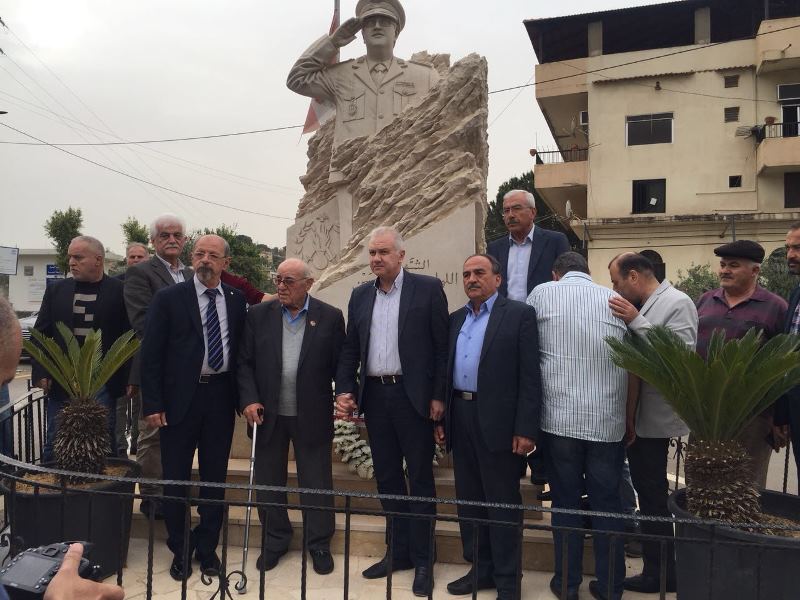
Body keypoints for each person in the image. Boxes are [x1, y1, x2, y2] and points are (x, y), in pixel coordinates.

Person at [335, 226, 447, 597]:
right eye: (372, 253)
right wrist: (346, 390)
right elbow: (351, 349)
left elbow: (441, 349)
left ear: (401, 255)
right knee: (387, 478)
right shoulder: (360, 295)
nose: (376, 258)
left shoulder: (427, 289)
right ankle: (397, 551)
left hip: (412, 398)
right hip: (376, 399)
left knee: (420, 479)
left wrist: (438, 396)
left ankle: (423, 559)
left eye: (383, 252)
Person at [140, 234, 247, 582]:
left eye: (213, 255)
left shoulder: (236, 300)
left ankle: (207, 547)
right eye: (199, 253)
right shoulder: (169, 298)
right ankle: (181, 548)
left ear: (226, 263)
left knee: (215, 479)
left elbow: (241, 354)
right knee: (175, 479)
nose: (204, 260)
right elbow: (151, 355)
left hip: (220, 399)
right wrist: (153, 403)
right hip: (178, 402)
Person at [435, 254, 540, 600]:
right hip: (461, 416)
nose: (471, 279)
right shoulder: (456, 318)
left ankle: (508, 580)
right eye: (466, 274)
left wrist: (525, 429)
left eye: (479, 272)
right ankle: (480, 569)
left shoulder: (519, 315)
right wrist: (443, 419)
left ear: (497, 279)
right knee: (469, 502)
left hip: (500, 423)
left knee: (502, 503)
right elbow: (446, 370)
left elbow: (530, 377)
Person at [527, 252, 627, 600]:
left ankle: (567, 585)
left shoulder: (542, 293)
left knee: (566, 503)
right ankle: (611, 586)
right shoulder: (614, 299)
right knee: (607, 504)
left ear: (556, 274)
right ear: (588, 272)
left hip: (560, 420)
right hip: (607, 422)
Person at [238, 258, 345, 575]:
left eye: (288, 281)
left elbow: (341, 363)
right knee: (269, 481)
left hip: (311, 413)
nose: (281, 286)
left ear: (308, 284)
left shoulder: (330, 317)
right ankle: (275, 540)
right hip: (266, 415)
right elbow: (244, 363)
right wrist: (249, 399)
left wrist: (345, 395)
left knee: (316, 482)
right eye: (278, 279)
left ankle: (319, 543)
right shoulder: (258, 315)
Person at [608, 252, 698, 594]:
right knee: (647, 495)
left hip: (655, 420)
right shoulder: (644, 303)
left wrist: (637, 321)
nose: (614, 289)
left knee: (653, 497)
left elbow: (681, 356)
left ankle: (661, 573)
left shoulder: (678, 302)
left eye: (616, 282)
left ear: (634, 276)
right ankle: (657, 568)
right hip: (636, 417)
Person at [287, 0, 440, 161]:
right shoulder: (340, 75)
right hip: (349, 174)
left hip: (403, 171)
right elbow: (297, 78)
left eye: (384, 22)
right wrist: (332, 43)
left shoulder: (425, 76)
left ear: (395, 33)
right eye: (370, 22)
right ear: (362, 34)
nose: (377, 26)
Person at [695, 240, 787, 488]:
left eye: (733, 265)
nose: (725, 270)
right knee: (702, 484)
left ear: (755, 270)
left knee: (744, 487)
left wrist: (779, 417)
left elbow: (786, 363)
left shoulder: (776, 307)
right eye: (723, 265)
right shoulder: (705, 301)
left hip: (751, 417)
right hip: (703, 414)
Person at [32, 236, 131, 463]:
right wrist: (41, 371)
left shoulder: (119, 291)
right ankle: (52, 480)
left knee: (100, 440)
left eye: (78, 257)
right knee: (55, 440)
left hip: (103, 382)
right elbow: (40, 335)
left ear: (98, 260)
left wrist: (129, 378)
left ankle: (97, 482)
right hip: (62, 381)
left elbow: (128, 337)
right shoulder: (57, 291)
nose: (71, 262)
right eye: (70, 257)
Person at [124, 214, 192, 519]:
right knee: (152, 434)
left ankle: (175, 491)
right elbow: (143, 323)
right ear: (153, 241)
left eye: (177, 235)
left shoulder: (191, 274)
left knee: (182, 433)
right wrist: (189, 339)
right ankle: (152, 496)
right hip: (156, 368)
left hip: (188, 373)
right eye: (165, 235)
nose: (172, 240)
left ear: (185, 240)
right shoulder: (140, 273)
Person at [486, 190, 570, 303]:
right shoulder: (495, 248)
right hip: (506, 312)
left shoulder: (555, 241)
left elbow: (567, 281)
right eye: (506, 211)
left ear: (533, 212)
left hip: (543, 310)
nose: (510, 215)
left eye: (516, 208)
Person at [114, 242, 149, 457]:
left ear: (147, 258)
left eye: (140, 257)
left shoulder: (151, 282)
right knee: (120, 403)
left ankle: (137, 443)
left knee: (140, 405)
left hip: (143, 350)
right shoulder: (116, 284)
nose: (135, 260)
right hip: (120, 352)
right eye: (132, 257)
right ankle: (120, 447)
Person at [776, 222, 800, 482]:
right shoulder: (796, 294)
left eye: (798, 248)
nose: (791, 255)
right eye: (788, 248)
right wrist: (783, 414)